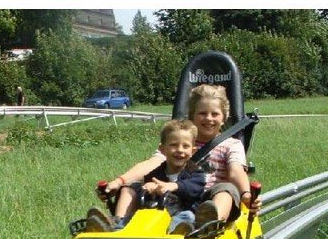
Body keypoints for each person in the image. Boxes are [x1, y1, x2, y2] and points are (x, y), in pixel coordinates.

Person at [93, 83, 261, 227]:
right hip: (172, 197)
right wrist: (118, 182)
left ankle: (208, 226)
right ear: (192, 116)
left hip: (207, 200)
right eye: (202, 113)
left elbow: (236, 171)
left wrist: (246, 194)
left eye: (215, 114)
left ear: (224, 118)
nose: (209, 118)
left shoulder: (231, 145)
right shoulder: (179, 142)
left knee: (226, 189)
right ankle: (119, 225)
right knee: (130, 187)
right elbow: (152, 163)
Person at [86, 119, 205, 235]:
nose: (179, 150)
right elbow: (145, 199)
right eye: (174, 145)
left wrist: (174, 186)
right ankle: (116, 229)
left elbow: (195, 188)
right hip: (157, 216)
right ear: (162, 149)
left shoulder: (195, 173)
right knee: (135, 215)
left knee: (188, 216)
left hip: (182, 213)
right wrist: (148, 189)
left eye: (185, 146)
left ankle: (176, 232)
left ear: (193, 151)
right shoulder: (154, 175)